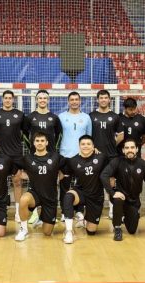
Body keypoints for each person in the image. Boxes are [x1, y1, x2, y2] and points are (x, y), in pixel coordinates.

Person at [100, 139, 145, 241]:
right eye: (127, 148)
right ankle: (117, 228)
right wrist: (112, 193)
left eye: (132, 147)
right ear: (123, 150)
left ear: (137, 149)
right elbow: (104, 175)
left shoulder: (143, 164)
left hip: (134, 200)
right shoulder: (117, 161)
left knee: (132, 230)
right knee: (118, 200)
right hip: (120, 196)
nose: (129, 150)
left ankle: (126, 215)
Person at [15, 131, 65, 241]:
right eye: (37, 141)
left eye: (42, 141)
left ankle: (42, 218)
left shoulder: (56, 157)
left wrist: (56, 178)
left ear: (47, 143)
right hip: (35, 194)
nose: (40, 143)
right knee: (24, 200)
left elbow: (63, 172)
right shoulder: (28, 158)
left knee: (47, 233)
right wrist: (27, 176)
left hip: (50, 197)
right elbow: (15, 169)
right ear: (33, 143)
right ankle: (24, 229)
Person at [22, 89, 62, 224]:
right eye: (40, 98)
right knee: (34, 182)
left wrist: (54, 150)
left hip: (50, 157)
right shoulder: (30, 117)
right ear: (36, 100)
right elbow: (24, 134)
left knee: (51, 183)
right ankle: (33, 213)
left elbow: (60, 134)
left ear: (48, 100)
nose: (42, 100)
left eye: (45, 98)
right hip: (35, 156)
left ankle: (47, 212)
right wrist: (31, 149)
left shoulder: (54, 117)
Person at [61, 135, 108, 244]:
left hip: (96, 196)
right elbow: (65, 175)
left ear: (93, 146)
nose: (85, 146)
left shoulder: (102, 158)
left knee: (91, 231)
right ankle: (69, 231)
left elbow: (110, 173)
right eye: (83, 144)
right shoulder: (73, 160)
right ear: (79, 146)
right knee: (68, 196)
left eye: (88, 144)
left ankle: (84, 220)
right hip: (80, 192)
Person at [0, 90, 25, 222]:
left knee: (17, 182)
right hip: (0, 155)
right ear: (2, 99)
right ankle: (0, 210)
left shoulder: (20, 114)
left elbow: (24, 133)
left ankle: (17, 212)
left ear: (13, 100)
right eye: (6, 98)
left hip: (16, 154)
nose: (8, 100)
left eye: (10, 98)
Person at [90, 89, 124, 220]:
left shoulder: (115, 116)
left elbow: (121, 135)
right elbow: (87, 134)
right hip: (95, 155)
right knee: (95, 182)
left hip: (111, 155)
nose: (103, 100)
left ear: (110, 100)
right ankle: (94, 209)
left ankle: (112, 209)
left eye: (106, 98)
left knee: (111, 181)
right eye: (101, 98)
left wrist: (112, 144)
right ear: (97, 100)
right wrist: (93, 147)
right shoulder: (91, 116)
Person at [58, 91, 92, 224]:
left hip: (81, 157)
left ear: (80, 101)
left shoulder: (86, 118)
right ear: (68, 101)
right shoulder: (61, 117)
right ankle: (64, 212)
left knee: (82, 185)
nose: (74, 102)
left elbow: (89, 137)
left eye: (76, 99)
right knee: (64, 185)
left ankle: (79, 210)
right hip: (65, 156)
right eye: (71, 99)